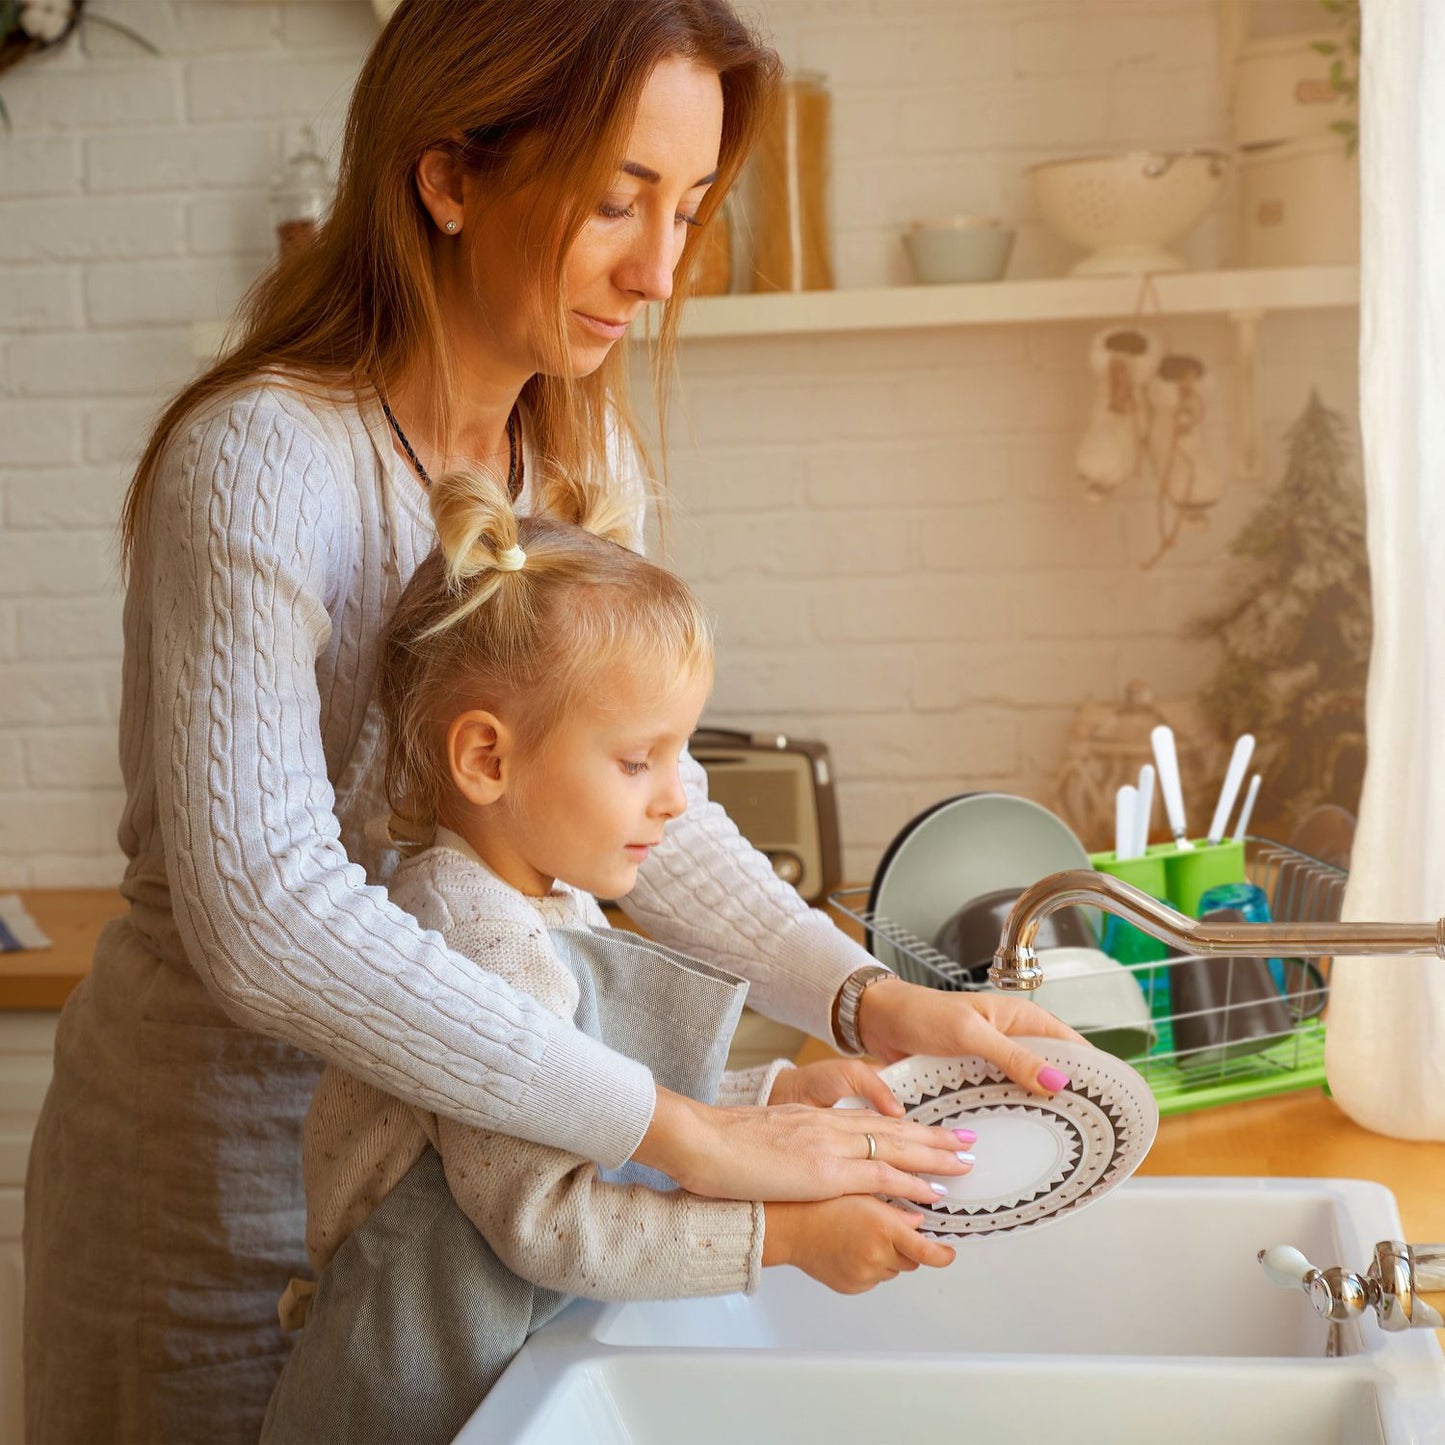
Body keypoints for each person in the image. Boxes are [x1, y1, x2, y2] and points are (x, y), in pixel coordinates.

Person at [23, 2, 1077, 1440]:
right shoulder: (263, 460)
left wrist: (863, 998)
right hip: (211, 1188)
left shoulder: (580, 466)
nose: (656, 269)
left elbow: (655, 809)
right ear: (449, 176)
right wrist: (683, 1131)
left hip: (454, 1182)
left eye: (690, 208)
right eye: (614, 203)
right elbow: (269, 912)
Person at [261, 466, 970, 1443]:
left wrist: (762, 1096)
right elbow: (554, 1220)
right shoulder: (479, 935)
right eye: (638, 761)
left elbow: (592, 1103)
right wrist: (791, 1236)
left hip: (500, 1371)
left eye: (677, 756)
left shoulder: (547, 894)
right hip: (413, 1397)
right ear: (486, 759)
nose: (676, 797)